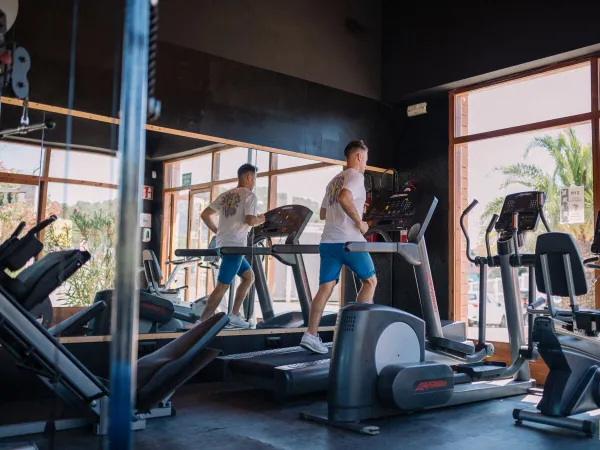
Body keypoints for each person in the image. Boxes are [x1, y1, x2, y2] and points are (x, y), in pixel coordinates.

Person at [300, 140, 377, 354]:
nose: (365, 164)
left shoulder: (334, 180)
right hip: (349, 241)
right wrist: (360, 222)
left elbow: (323, 213)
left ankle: (310, 335)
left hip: (328, 241)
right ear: (360, 156)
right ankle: (356, 334)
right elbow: (345, 198)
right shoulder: (355, 176)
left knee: (325, 288)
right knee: (370, 281)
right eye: (366, 159)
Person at [199, 163, 266, 328]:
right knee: (222, 285)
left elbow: (205, 214)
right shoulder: (249, 196)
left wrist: (218, 231)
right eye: (254, 178)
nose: (255, 182)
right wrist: (261, 219)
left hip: (223, 244)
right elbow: (250, 220)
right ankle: (201, 323)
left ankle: (235, 315)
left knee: (249, 277)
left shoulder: (225, 195)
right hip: (235, 247)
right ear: (249, 177)